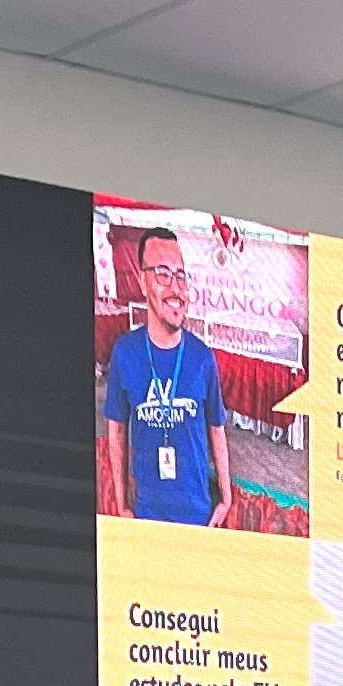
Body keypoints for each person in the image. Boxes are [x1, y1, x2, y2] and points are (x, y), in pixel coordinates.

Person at [101, 227, 233, 530]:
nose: (176, 287)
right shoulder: (125, 353)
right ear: (142, 282)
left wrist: (226, 499)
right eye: (162, 274)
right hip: (146, 516)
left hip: (198, 517)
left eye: (181, 275)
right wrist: (121, 506)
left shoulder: (202, 358)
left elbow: (216, 430)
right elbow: (116, 430)